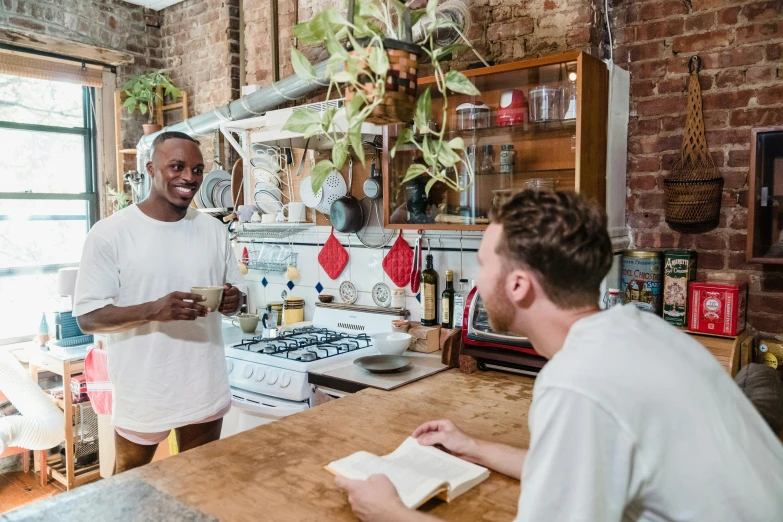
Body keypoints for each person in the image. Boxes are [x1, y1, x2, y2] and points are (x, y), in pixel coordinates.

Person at [336, 190, 783, 521]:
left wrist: (390, 512)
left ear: (518, 286)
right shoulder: (640, 331)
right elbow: (579, 470)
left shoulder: (578, 380)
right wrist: (473, 447)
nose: (479, 275)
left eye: (485, 262)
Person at [73, 132, 245, 473]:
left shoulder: (214, 230)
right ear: (151, 168)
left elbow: (236, 297)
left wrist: (232, 300)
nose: (189, 178)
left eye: (197, 170)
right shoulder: (111, 233)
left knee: (202, 483)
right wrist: (156, 309)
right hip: (145, 388)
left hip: (205, 384)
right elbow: (88, 318)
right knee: (129, 489)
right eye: (177, 166)